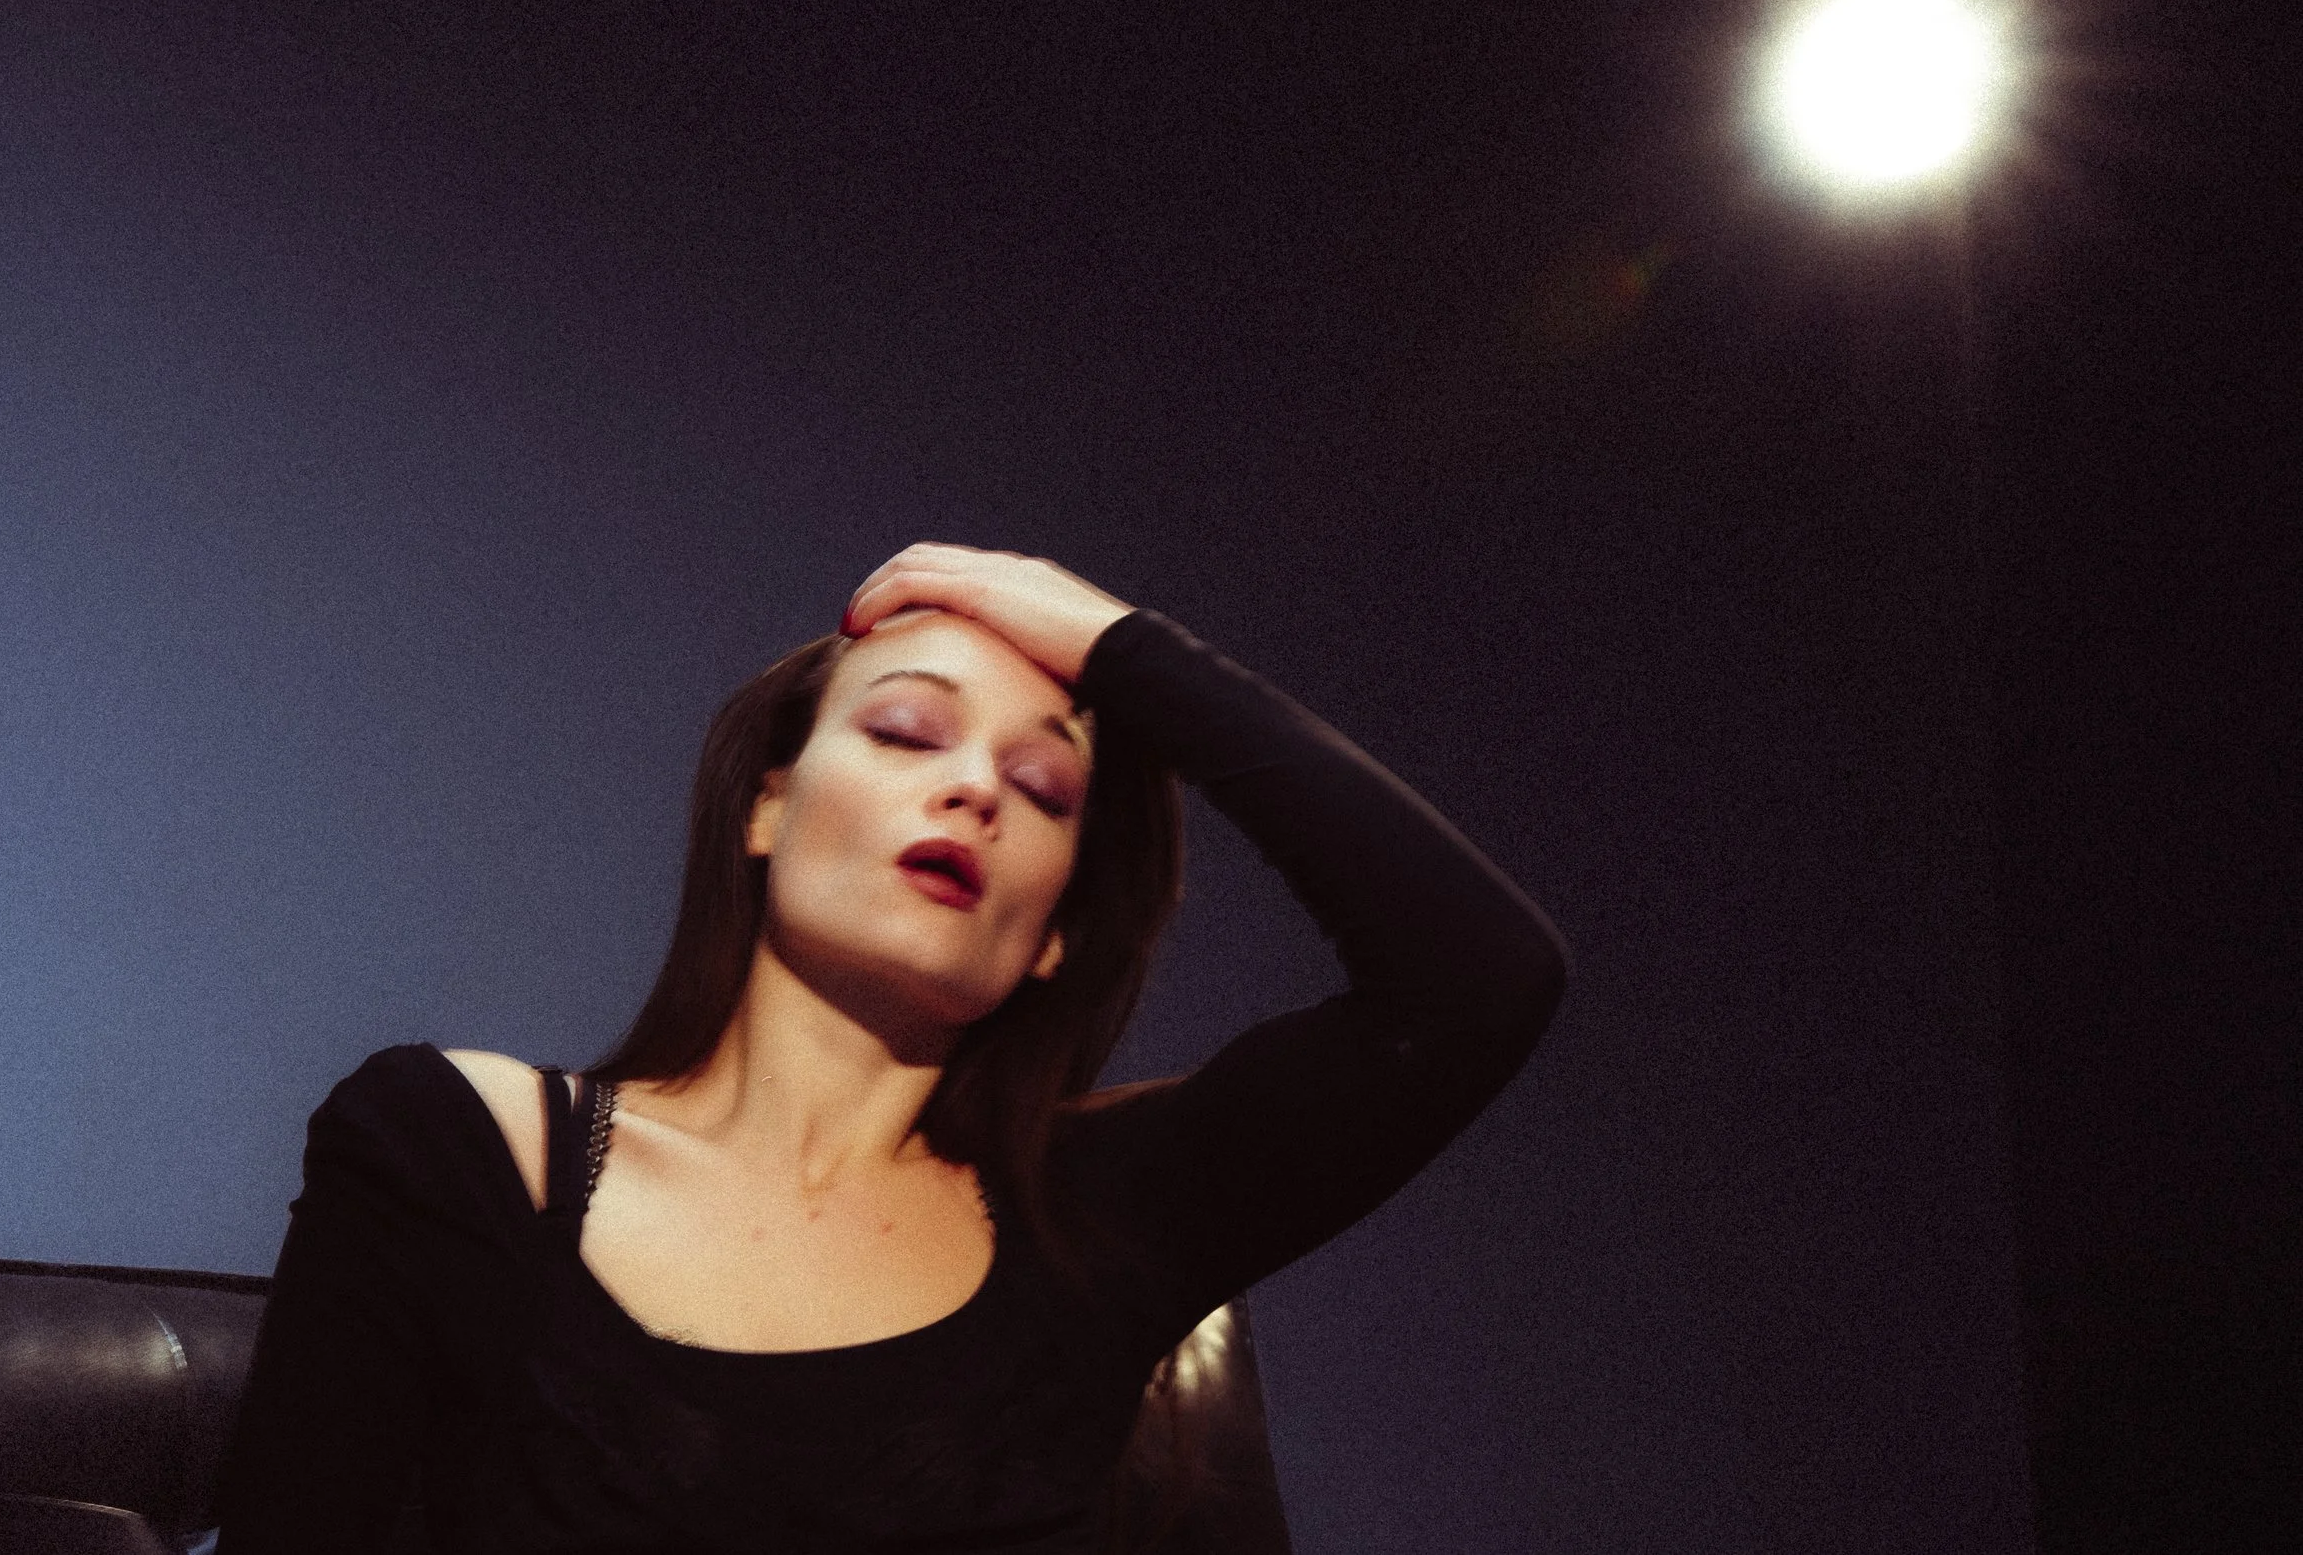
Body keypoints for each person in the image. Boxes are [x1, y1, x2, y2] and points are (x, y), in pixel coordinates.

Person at [214, 542, 1566, 1553]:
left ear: (1053, 937)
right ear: (767, 807)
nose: (973, 788)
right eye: (907, 730)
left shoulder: (1100, 1221)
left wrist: (1112, 642)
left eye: (1042, 787)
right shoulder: (460, 1147)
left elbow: (1480, 980)